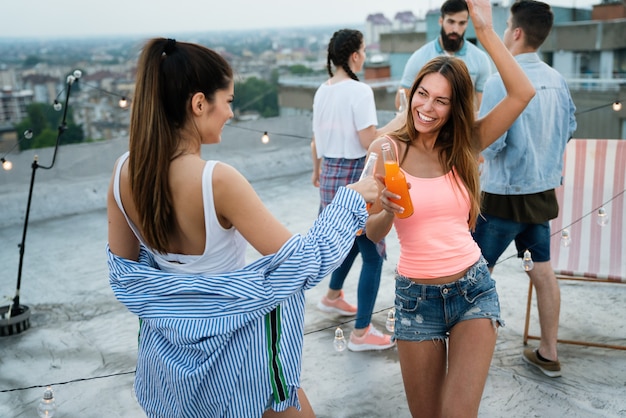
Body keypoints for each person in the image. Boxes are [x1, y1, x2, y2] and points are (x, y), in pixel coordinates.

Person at [106, 37, 379, 418]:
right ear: (199, 103)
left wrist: (180, 296)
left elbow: (125, 276)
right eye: (229, 101)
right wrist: (350, 200)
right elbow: (302, 262)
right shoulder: (216, 180)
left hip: (168, 365)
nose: (231, 114)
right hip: (242, 362)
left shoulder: (123, 172)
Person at [364, 0, 535, 416]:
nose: (427, 107)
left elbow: (522, 92)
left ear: (454, 106)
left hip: (472, 290)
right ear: (411, 93)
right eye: (423, 94)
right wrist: (386, 208)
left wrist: (486, 31)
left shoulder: (464, 144)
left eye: (441, 101)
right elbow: (373, 233)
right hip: (414, 300)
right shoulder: (387, 149)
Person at [472, 0, 577, 378]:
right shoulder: (557, 79)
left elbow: (491, 144)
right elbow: (569, 129)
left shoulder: (502, 79)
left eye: (505, 27)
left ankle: (468, 357)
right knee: (542, 272)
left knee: (475, 274)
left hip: (502, 196)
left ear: (516, 33)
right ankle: (548, 353)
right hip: (542, 195)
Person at [310, 28, 404, 351]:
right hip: (356, 175)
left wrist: (317, 170)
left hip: (330, 175)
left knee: (349, 242)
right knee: (374, 256)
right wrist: (402, 118)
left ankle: (333, 295)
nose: (364, 56)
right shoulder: (359, 92)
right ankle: (362, 333)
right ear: (354, 56)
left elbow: (316, 142)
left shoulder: (322, 90)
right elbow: (370, 142)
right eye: (363, 51)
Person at [396, 0, 492, 111]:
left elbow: (484, 107)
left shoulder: (480, 59)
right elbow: (401, 102)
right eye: (451, 22)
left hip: (465, 126)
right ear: (441, 21)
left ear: (467, 24)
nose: (455, 29)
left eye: (461, 23)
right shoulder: (419, 57)